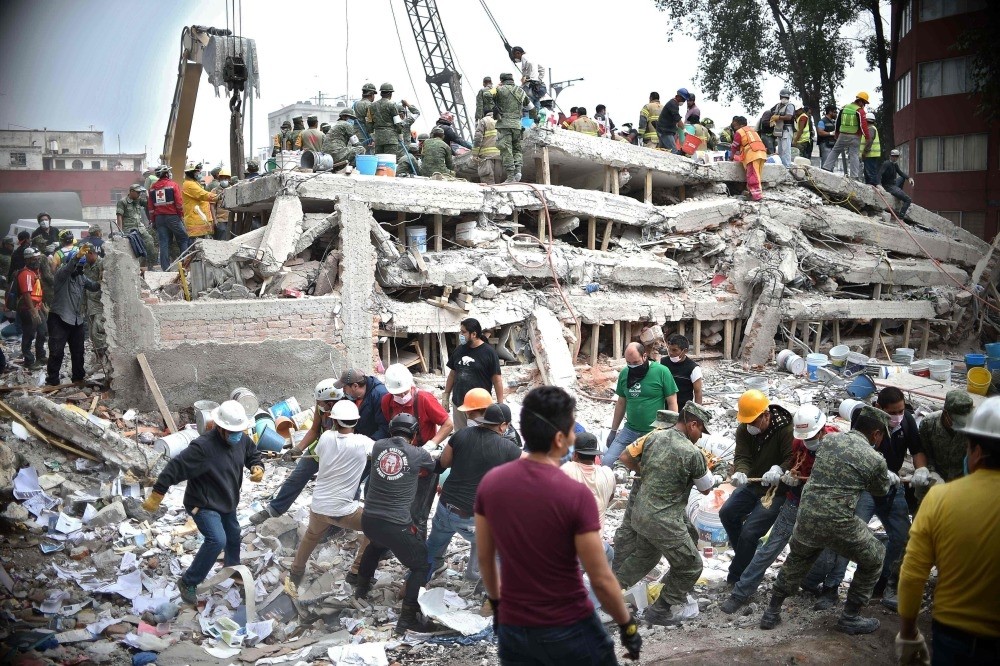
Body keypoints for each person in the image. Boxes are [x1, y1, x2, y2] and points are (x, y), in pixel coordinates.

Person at [475, 386, 642, 664]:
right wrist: (627, 625)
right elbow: (599, 578)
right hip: (569, 625)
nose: (575, 437)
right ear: (559, 439)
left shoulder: (491, 484)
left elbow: (485, 558)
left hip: (515, 628)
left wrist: (497, 606)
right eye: (571, 429)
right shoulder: (574, 495)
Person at [760, 405, 893, 635]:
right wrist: (889, 478)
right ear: (876, 434)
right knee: (875, 556)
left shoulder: (829, 441)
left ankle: (772, 611)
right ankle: (850, 616)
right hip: (838, 521)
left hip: (807, 515)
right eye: (882, 436)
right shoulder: (874, 458)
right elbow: (880, 491)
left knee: (797, 560)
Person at [896, 396, 1000, 665]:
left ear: (975, 450)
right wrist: (926, 472)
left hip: (955, 633)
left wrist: (908, 634)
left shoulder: (941, 501)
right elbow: (922, 454)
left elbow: (913, 574)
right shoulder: (929, 426)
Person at [721, 404, 842, 614]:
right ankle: (741, 592)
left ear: (822, 430)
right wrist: (787, 474)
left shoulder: (840, 444)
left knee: (832, 547)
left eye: (812, 437)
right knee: (771, 546)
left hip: (825, 504)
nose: (808, 441)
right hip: (795, 499)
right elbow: (791, 461)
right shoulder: (797, 441)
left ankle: (824, 587)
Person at [143, 401, 263, 604]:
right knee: (217, 540)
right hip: (203, 504)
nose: (237, 435)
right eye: (232, 431)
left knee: (233, 534)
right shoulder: (203, 447)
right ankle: (188, 582)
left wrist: (257, 466)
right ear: (221, 428)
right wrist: (158, 493)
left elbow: (252, 454)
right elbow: (175, 467)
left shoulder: (241, 439)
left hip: (226, 500)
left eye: (239, 431)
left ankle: (232, 568)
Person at [614, 403, 715, 626]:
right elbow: (706, 488)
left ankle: (606, 593)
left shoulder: (653, 438)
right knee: (691, 565)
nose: (700, 437)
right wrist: (709, 471)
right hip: (663, 519)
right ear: (692, 424)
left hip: (640, 514)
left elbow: (627, 456)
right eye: (700, 431)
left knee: (646, 556)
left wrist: (647, 473)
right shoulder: (692, 453)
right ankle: (661, 609)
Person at [354, 413, 438, 634]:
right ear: (414, 434)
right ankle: (408, 618)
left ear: (391, 431)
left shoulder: (379, 446)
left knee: (376, 545)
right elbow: (432, 468)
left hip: (369, 519)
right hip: (395, 524)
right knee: (420, 564)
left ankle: (360, 590)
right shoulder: (418, 453)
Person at [287, 400, 374, 593]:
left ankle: (295, 573)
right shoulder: (363, 442)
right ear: (355, 422)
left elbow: (323, 451)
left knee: (311, 536)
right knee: (375, 528)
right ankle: (356, 570)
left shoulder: (326, 437)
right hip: (344, 511)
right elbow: (378, 452)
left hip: (318, 506)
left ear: (334, 421)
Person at [427, 402, 521, 580]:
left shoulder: (462, 434)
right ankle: (491, 601)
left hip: (445, 507)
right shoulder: (509, 449)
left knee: (432, 547)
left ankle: (410, 590)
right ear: (503, 425)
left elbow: (443, 463)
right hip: (472, 517)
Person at [250, 378, 349, 525]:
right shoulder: (321, 407)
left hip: (338, 455)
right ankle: (274, 510)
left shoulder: (346, 412)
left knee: (337, 489)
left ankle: (340, 522)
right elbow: (314, 430)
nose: (318, 405)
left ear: (332, 402)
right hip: (317, 450)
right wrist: (298, 449)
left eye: (321, 403)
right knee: (296, 478)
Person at [720, 389, 793, 584]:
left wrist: (780, 469)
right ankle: (747, 556)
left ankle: (737, 576)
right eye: (747, 422)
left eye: (753, 421)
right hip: (753, 483)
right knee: (727, 513)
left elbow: (792, 457)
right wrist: (741, 471)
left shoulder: (785, 429)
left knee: (750, 532)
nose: (749, 425)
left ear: (766, 415)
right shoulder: (745, 429)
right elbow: (742, 455)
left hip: (776, 491)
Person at [381, 363, 453, 539]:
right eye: (397, 394)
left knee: (418, 513)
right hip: (402, 463)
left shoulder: (424, 400)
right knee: (398, 509)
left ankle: (419, 554)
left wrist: (432, 443)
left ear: (411, 386)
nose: (401, 396)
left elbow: (448, 424)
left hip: (423, 463)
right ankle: (399, 543)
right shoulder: (387, 402)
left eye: (404, 393)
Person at [604, 341, 679, 468]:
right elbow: (621, 403)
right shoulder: (625, 373)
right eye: (629, 363)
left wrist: (671, 431)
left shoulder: (661, 372)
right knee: (607, 463)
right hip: (630, 430)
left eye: (635, 362)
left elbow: (672, 403)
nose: (632, 366)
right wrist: (613, 430)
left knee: (653, 467)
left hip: (654, 432)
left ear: (644, 356)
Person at [45, 244, 100, 386]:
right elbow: (69, 267)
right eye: (78, 266)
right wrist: (77, 257)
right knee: (56, 352)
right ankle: (52, 381)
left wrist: (105, 275)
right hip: (59, 318)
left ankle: (78, 378)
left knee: (78, 352)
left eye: (82, 267)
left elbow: (94, 286)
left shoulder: (81, 278)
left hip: (76, 319)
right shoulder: (61, 275)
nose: (79, 269)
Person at [442, 318, 504, 430]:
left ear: (474, 334)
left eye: (463, 332)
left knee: (478, 438)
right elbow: (452, 374)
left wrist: (501, 404)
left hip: (478, 406)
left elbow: (497, 380)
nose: (460, 335)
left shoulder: (489, 353)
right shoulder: (459, 350)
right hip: (459, 403)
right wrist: (446, 395)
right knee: (460, 437)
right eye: (460, 331)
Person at [916, 390, 973, 497]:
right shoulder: (928, 424)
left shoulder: (975, 427)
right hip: (935, 478)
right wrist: (932, 474)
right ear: (946, 413)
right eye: (959, 420)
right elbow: (923, 452)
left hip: (963, 481)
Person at [366, 83, 420, 173]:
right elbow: (397, 122)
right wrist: (400, 134)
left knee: (379, 159)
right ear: (390, 94)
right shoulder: (392, 105)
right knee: (389, 160)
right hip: (391, 138)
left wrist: (372, 135)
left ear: (381, 93)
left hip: (378, 137)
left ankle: (379, 175)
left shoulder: (372, 106)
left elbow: (369, 122)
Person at [493, 73, 534, 183]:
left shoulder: (499, 90)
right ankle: (518, 171)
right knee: (516, 148)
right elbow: (531, 107)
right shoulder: (521, 91)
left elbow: (487, 97)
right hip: (517, 125)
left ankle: (510, 177)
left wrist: (496, 88)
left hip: (504, 124)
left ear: (501, 80)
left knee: (506, 150)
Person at [147, 164, 188, 271]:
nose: (170, 173)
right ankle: (185, 265)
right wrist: (180, 216)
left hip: (159, 218)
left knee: (164, 242)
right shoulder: (173, 185)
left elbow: (150, 207)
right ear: (165, 173)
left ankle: (165, 268)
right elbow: (179, 204)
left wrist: (153, 220)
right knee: (183, 238)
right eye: (168, 171)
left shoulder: (152, 188)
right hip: (172, 217)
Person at [822, 92, 871, 180]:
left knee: (835, 151)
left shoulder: (844, 108)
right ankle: (854, 176)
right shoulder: (860, 111)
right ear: (860, 101)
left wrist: (837, 133)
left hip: (843, 135)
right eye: (864, 103)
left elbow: (838, 121)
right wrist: (867, 137)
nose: (864, 105)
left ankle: (826, 168)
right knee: (854, 155)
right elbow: (863, 125)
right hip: (855, 136)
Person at [15, 248, 47, 369]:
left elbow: (37, 292)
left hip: (37, 307)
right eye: (34, 259)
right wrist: (33, 311)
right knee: (29, 334)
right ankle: (29, 360)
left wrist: (42, 307)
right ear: (27, 259)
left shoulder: (35, 272)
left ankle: (41, 355)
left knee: (43, 331)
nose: (37, 261)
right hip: (28, 309)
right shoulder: (26, 274)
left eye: (38, 259)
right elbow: (26, 294)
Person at [729, 116, 769, 202]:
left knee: (752, 175)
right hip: (761, 153)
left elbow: (735, 146)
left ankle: (756, 196)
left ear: (741, 125)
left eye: (735, 125)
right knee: (757, 175)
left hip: (752, 154)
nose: (734, 128)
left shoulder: (740, 132)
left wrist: (731, 156)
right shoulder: (752, 130)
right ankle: (753, 193)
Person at [80, 243, 107, 368]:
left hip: (100, 303)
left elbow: (104, 284)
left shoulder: (102, 264)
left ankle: (104, 359)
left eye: (85, 255)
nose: (84, 257)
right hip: (90, 304)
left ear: (91, 253)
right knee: (92, 333)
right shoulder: (86, 266)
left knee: (98, 332)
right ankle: (98, 358)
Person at [116, 184, 155, 266]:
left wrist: (147, 194)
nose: (139, 194)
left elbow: (149, 204)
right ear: (131, 191)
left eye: (140, 192)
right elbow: (119, 216)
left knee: (150, 242)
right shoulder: (123, 202)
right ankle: (138, 267)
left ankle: (150, 265)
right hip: (129, 229)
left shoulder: (138, 200)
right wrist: (120, 231)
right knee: (135, 248)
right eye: (137, 192)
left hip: (140, 228)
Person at [660, 334, 702, 409]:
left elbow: (698, 392)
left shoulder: (693, 368)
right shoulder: (662, 363)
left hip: (683, 410)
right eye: (669, 349)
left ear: (685, 351)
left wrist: (697, 413)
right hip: (663, 408)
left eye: (674, 350)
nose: (671, 353)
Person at [181, 162, 216, 242]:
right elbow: (204, 195)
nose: (199, 173)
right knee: (195, 248)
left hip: (199, 221)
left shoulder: (194, 183)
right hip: (195, 224)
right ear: (191, 173)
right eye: (197, 171)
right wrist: (219, 196)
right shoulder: (189, 184)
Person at [505, 45, 546, 109]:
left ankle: (529, 118)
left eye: (514, 55)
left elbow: (529, 63)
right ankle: (536, 118)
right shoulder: (532, 58)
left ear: (518, 53)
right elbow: (542, 69)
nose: (515, 58)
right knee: (536, 106)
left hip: (529, 86)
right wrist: (539, 80)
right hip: (536, 87)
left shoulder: (524, 57)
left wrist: (526, 77)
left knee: (527, 107)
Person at [879, 149, 915, 219]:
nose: (894, 158)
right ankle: (901, 216)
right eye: (893, 156)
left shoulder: (894, 164)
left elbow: (900, 173)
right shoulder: (886, 164)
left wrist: (909, 178)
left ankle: (899, 193)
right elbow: (879, 174)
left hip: (893, 184)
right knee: (908, 200)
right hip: (888, 186)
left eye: (896, 156)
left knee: (902, 178)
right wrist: (879, 185)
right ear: (890, 156)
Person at [473, 106, 502, 185]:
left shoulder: (484, 121)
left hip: (486, 157)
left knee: (488, 180)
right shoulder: (500, 120)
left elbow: (477, 139)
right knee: (498, 181)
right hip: (499, 156)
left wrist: (475, 154)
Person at [768, 89, 796, 167]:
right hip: (779, 129)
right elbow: (772, 112)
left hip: (787, 129)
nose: (784, 98)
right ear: (780, 97)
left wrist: (778, 117)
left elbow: (789, 116)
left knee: (786, 150)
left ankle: (787, 166)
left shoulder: (790, 106)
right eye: (783, 97)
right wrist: (773, 118)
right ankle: (781, 166)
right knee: (780, 150)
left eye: (786, 97)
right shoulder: (778, 105)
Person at [352, 83, 377, 149]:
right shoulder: (370, 105)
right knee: (365, 155)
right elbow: (369, 123)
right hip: (364, 135)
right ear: (372, 94)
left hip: (353, 134)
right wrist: (374, 139)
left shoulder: (355, 104)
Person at [860, 113, 882, 185]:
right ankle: (871, 185)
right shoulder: (871, 128)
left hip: (870, 154)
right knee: (868, 172)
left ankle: (873, 186)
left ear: (866, 121)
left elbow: (869, 141)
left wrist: (864, 152)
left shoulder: (871, 129)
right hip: (870, 154)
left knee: (870, 173)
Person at [211, 170, 232, 241]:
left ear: (229, 179)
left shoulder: (234, 189)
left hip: (233, 220)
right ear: (219, 179)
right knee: (222, 240)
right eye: (222, 178)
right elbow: (212, 206)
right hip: (221, 220)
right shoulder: (215, 191)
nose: (224, 180)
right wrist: (215, 220)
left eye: (226, 178)